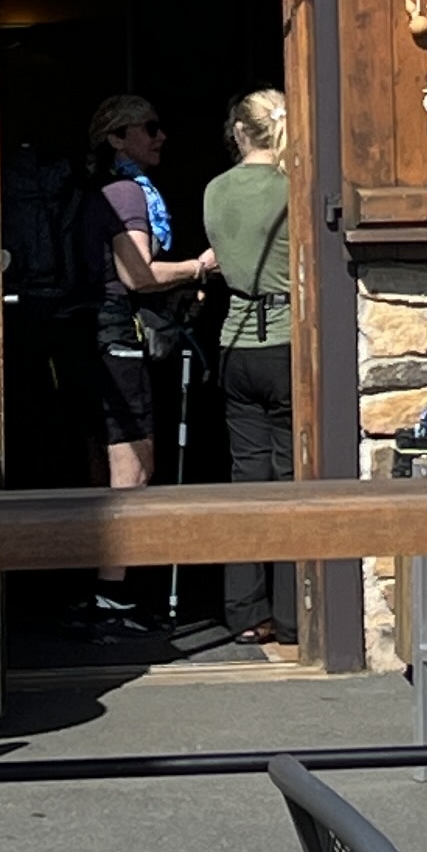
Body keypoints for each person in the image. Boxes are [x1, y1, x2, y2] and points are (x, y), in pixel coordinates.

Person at [202, 89, 300, 647]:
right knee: (289, 481)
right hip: (285, 340)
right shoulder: (292, 187)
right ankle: (291, 614)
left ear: (240, 132)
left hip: (235, 342)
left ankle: (244, 612)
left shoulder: (215, 189)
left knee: (247, 479)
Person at [83, 94, 218, 494]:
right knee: (134, 469)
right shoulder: (126, 192)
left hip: (90, 331)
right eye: (150, 128)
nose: (161, 137)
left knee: (101, 463)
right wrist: (199, 267)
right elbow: (137, 275)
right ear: (116, 138)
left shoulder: (95, 189)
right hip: (117, 334)